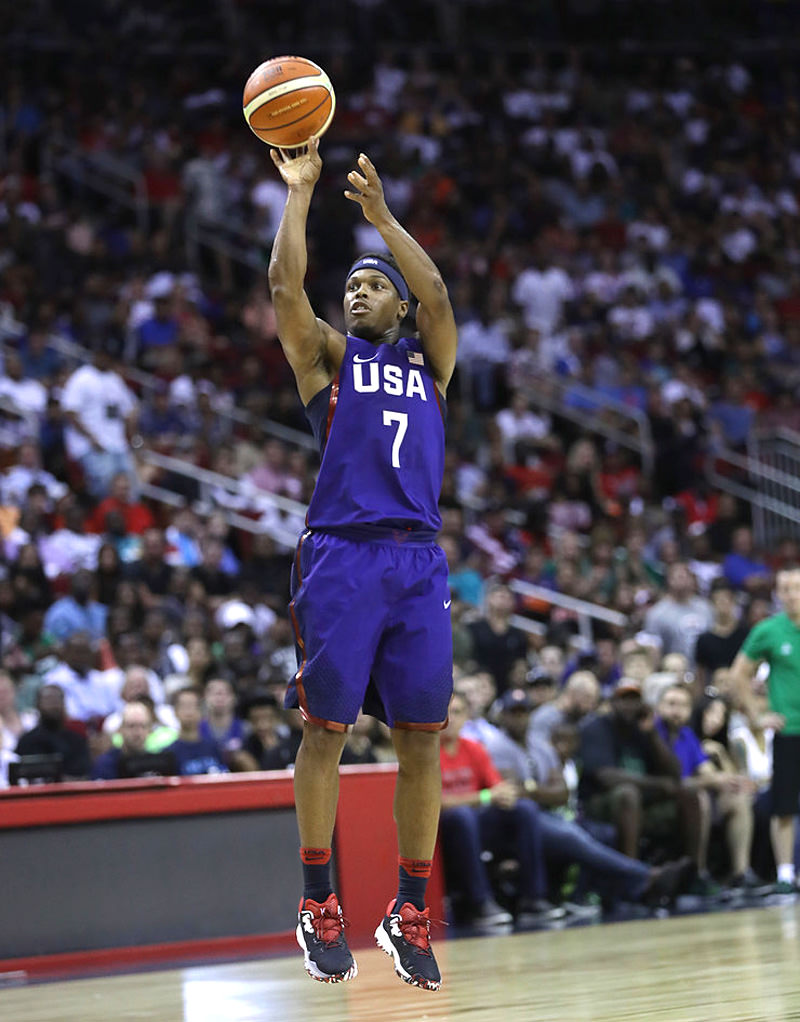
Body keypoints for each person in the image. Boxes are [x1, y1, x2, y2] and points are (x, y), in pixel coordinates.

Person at [268, 136, 457, 989]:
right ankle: (318, 901)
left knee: (425, 739)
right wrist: (302, 193)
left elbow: (441, 294)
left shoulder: (431, 364)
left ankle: (409, 910)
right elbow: (284, 288)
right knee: (327, 729)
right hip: (343, 556)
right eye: (351, 285)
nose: (358, 291)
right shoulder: (327, 364)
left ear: (400, 309)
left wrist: (382, 219)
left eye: (373, 284)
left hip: (418, 562)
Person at [483, 688, 693, 911]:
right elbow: (513, 793)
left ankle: (599, 894)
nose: (519, 717)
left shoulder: (538, 745)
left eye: (523, 712)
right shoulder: (497, 747)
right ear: (503, 716)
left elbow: (561, 794)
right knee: (575, 837)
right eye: (513, 713)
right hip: (514, 821)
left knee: (603, 833)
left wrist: (532, 789)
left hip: (548, 814)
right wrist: (541, 791)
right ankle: (648, 876)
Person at [440, 690, 561, 932]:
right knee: (463, 816)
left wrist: (505, 794)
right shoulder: (425, 752)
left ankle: (532, 898)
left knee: (524, 809)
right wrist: (485, 796)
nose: (451, 719)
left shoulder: (474, 748)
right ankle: (480, 902)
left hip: (478, 822)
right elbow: (434, 803)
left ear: (467, 717)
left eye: (457, 712)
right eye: (445, 712)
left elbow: (498, 787)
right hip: (443, 829)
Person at [578, 678, 707, 877]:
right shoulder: (597, 728)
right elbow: (606, 777)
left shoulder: (643, 730)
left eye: (634, 700)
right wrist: (656, 784)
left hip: (641, 802)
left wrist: (653, 734)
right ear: (612, 702)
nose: (629, 705)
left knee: (688, 792)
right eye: (624, 700)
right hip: (599, 802)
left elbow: (674, 772)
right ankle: (633, 878)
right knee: (628, 794)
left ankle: (693, 873)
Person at [729, 567, 800, 895]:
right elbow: (738, 674)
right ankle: (785, 875)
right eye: (784, 588)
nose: (790, 594)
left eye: (796, 587)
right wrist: (757, 716)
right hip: (788, 731)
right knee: (784, 804)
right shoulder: (768, 630)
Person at [655, 683, 755, 892]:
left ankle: (741, 873)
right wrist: (712, 781)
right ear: (659, 706)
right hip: (662, 798)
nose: (677, 710)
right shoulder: (653, 734)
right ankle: (697, 873)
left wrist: (728, 780)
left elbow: (706, 770)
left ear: (690, 711)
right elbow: (672, 782)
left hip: (691, 794)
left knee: (736, 798)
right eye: (671, 704)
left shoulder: (687, 735)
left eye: (683, 705)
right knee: (699, 797)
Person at [16, 684, 92, 780]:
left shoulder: (76, 740)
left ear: (63, 704)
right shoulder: (26, 741)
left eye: (57, 700)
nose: (53, 705)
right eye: (48, 700)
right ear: (37, 705)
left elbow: (84, 774)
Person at [91, 700, 177, 780]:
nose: (137, 733)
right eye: (131, 726)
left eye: (143, 726)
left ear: (150, 730)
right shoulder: (106, 763)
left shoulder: (161, 761)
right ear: (121, 729)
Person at [693, 578, 749, 694]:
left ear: (733, 602)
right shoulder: (704, 640)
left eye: (727, 600)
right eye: (719, 601)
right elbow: (700, 674)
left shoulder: (746, 633)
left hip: (742, 688)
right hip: (713, 690)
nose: (723, 605)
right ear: (712, 605)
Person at [164, 687, 228, 776]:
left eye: (193, 706)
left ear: (201, 711)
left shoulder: (214, 747)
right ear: (175, 712)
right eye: (184, 706)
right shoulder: (168, 753)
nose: (189, 712)